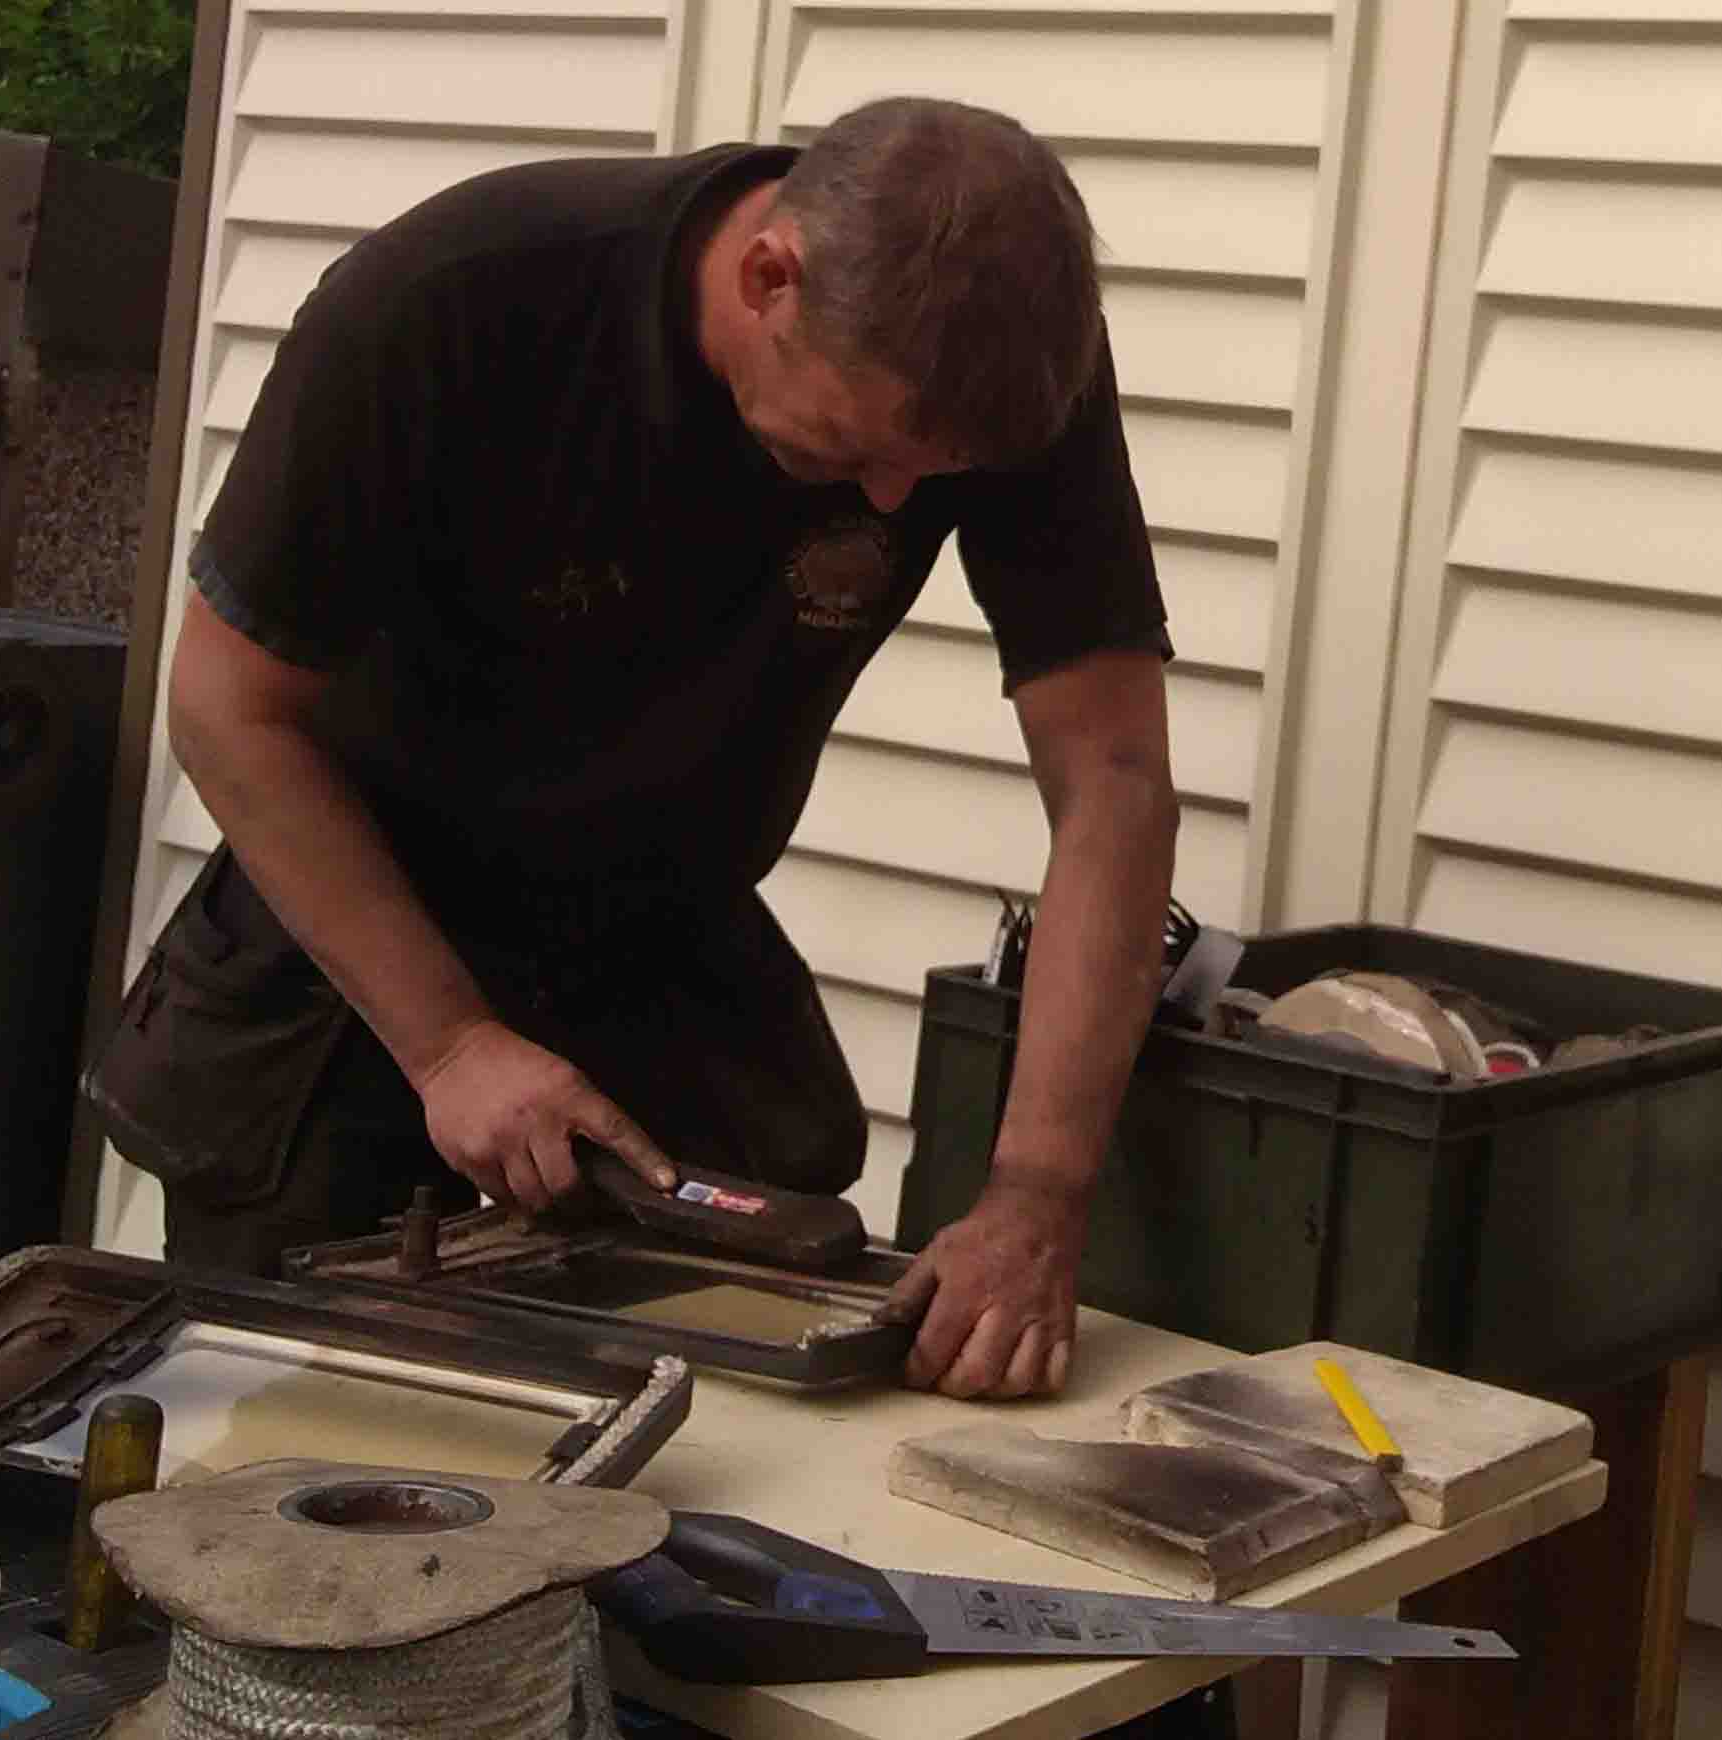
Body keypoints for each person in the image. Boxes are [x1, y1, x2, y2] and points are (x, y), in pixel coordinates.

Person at [84, 96, 1180, 1402]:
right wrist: (451, 1045)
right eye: (858, 451)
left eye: (930, 476)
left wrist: (1038, 1194)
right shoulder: (452, 299)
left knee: (724, 1435)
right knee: (301, 1447)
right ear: (769, 277)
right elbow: (227, 705)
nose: (896, 502)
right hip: (353, 935)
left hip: (657, 938)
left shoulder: (995, 371)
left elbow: (1112, 781)